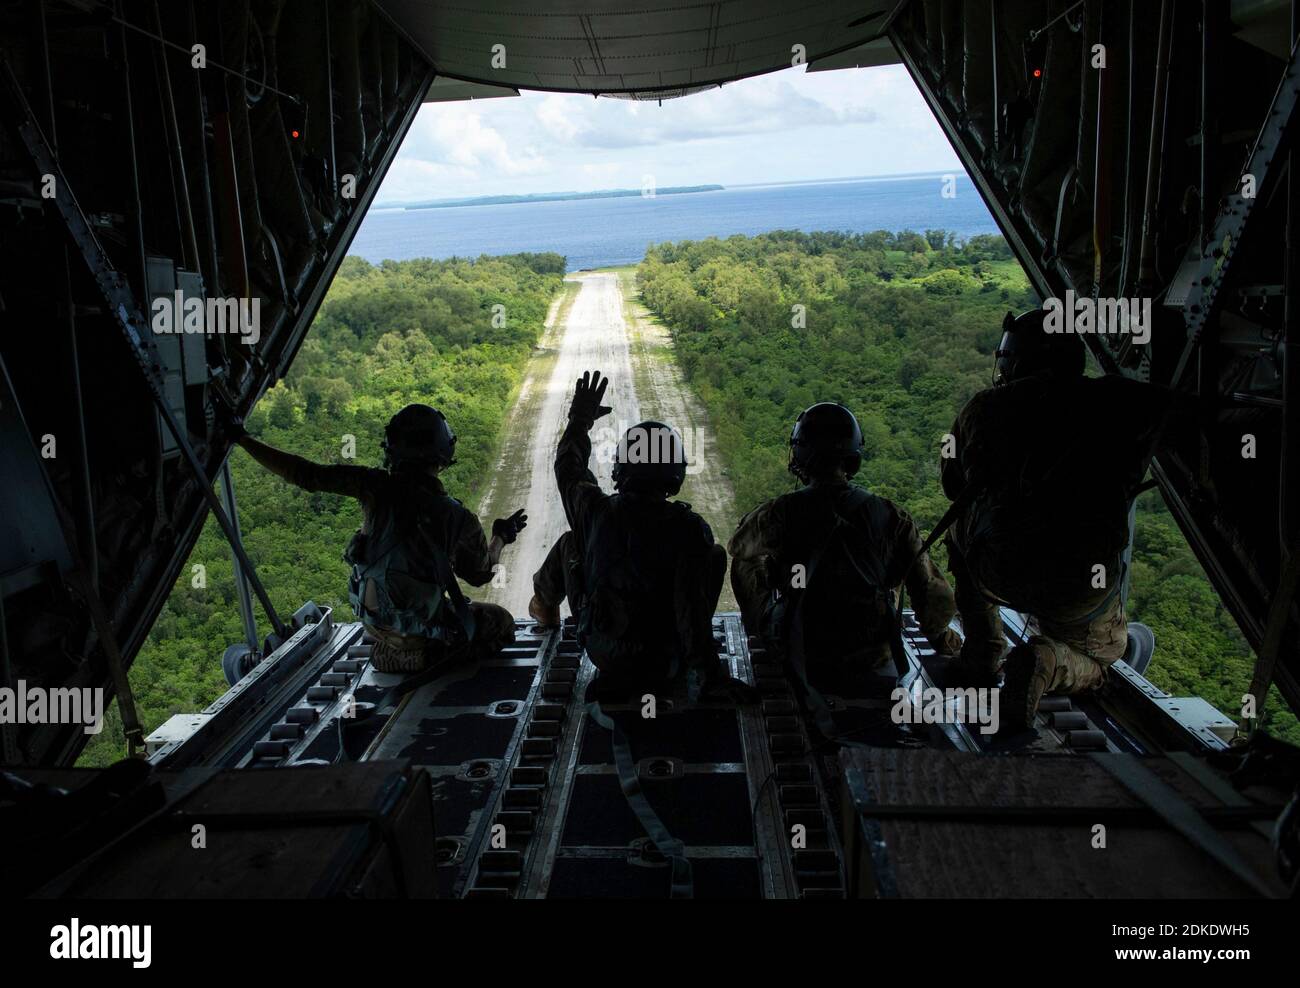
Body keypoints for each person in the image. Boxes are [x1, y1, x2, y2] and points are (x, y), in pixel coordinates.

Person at [941, 308, 1175, 728]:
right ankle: (1047, 660)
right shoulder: (1124, 399)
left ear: (1014, 359)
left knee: (959, 531)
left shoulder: (983, 407)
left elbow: (953, 488)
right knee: (1104, 660)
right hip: (1079, 582)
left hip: (997, 569)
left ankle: (981, 652)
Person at [230, 403, 526, 673]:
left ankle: (391, 650)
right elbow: (480, 574)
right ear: (443, 455)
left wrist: (242, 439)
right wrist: (499, 537)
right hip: (418, 633)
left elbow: (304, 474)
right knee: (501, 622)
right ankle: (423, 655)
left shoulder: (372, 487)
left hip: (375, 627)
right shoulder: (457, 518)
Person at [529, 370, 738, 695]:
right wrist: (709, 675)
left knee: (572, 542)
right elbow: (690, 609)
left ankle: (543, 605)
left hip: (604, 651)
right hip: (666, 657)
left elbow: (568, 468)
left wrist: (580, 419)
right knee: (712, 556)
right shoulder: (690, 528)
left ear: (620, 467)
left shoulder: (593, 510)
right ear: (675, 473)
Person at [729, 402, 961, 694]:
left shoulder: (781, 511)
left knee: (745, 561)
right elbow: (930, 592)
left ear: (801, 454)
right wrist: (940, 638)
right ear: (853, 458)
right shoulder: (891, 515)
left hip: (801, 645)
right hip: (870, 651)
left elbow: (738, 546)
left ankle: (762, 630)